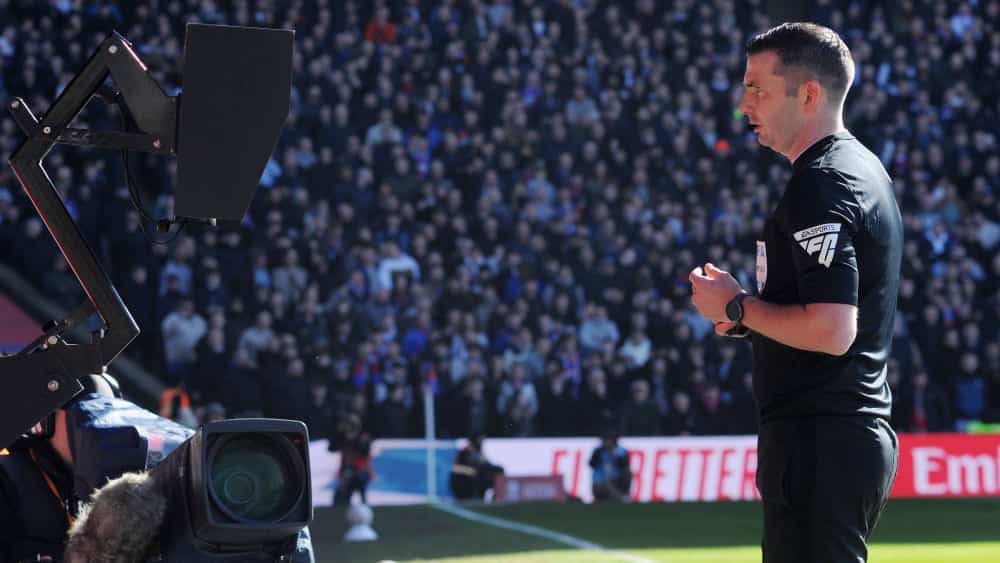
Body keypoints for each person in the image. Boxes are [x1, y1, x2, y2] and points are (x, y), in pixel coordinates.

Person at [689, 23, 901, 563]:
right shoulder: (862, 168)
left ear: (807, 94)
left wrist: (737, 304)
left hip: (820, 440)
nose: (744, 104)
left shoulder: (822, 183)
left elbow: (832, 330)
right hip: (837, 436)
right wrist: (745, 319)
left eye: (757, 89)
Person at [330, 413, 373, 506]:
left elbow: (364, 453)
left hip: (361, 472)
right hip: (347, 473)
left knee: (361, 492)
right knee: (340, 497)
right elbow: (331, 448)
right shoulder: (343, 439)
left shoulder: (363, 439)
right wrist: (338, 432)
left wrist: (353, 439)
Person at [449, 434, 504, 501]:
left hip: (474, 478)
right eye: (479, 440)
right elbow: (455, 468)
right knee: (480, 474)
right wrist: (469, 470)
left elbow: (486, 465)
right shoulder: (464, 453)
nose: (481, 442)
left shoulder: (479, 452)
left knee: (495, 471)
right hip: (462, 482)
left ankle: (496, 495)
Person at [588, 429, 631, 502]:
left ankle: (623, 495)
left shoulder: (621, 452)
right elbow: (591, 464)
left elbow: (625, 466)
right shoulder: (598, 451)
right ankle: (621, 498)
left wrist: (615, 455)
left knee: (627, 472)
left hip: (616, 480)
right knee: (606, 484)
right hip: (601, 482)